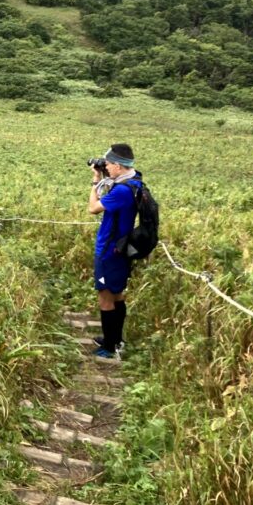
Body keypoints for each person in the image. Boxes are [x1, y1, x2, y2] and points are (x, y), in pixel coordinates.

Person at [87, 143, 141, 358]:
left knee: (105, 297)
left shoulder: (121, 191)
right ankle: (115, 339)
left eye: (108, 164)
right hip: (121, 248)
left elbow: (93, 208)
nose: (106, 167)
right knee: (117, 294)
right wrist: (103, 177)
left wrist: (95, 181)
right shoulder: (135, 182)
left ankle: (108, 347)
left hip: (109, 250)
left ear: (118, 166)